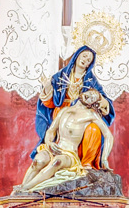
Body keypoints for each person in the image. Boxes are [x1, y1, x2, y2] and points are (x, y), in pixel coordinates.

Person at [16, 44, 121, 198]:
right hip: (61, 115)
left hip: (75, 132)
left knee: (93, 130)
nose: (85, 60)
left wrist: (101, 101)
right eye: (84, 56)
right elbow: (49, 108)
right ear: (77, 55)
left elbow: (103, 103)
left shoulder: (91, 86)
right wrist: (47, 88)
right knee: (39, 161)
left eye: (89, 60)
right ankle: (20, 191)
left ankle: (87, 164)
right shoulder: (60, 78)